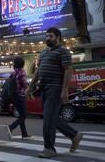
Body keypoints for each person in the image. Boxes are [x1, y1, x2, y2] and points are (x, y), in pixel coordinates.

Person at [28, 27, 83, 158]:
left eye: (50, 36)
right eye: (46, 36)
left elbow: (68, 70)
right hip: (44, 88)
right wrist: (30, 86)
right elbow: (38, 71)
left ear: (58, 37)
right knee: (51, 117)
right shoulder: (44, 52)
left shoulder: (63, 51)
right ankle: (74, 135)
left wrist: (64, 90)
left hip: (55, 88)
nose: (47, 38)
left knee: (48, 119)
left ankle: (49, 149)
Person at [6, 57, 31, 140]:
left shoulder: (13, 73)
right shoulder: (22, 72)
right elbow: (24, 84)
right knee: (23, 115)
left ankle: (24, 133)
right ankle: (11, 127)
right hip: (20, 96)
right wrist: (29, 92)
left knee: (21, 114)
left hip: (13, 96)